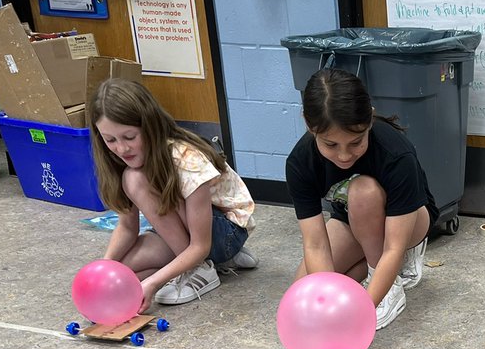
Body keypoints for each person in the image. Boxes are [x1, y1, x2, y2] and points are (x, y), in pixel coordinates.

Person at [285, 68, 438, 330]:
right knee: (304, 290)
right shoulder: (300, 162)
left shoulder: (396, 153)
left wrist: (363, 314)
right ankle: (375, 271)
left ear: (369, 120)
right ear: (309, 126)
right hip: (350, 219)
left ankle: (390, 286)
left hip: (407, 220)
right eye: (330, 145)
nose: (344, 156)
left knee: (363, 191)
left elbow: (392, 248)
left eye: (356, 142)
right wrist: (325, 306)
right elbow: (315, 245)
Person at [90, 78, 257, 311]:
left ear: (150, 127)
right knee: (124, 273)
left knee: (134, 178)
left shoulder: (186, 158)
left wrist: (154, 283)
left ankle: (201, 270)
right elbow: (128, 228)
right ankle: (208, 264)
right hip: (182, 232)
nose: (122, 148)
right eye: (110, 140)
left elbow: (199, 245)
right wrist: (102, 269)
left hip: (223, 234)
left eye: (130, 137)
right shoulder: (119, 160)